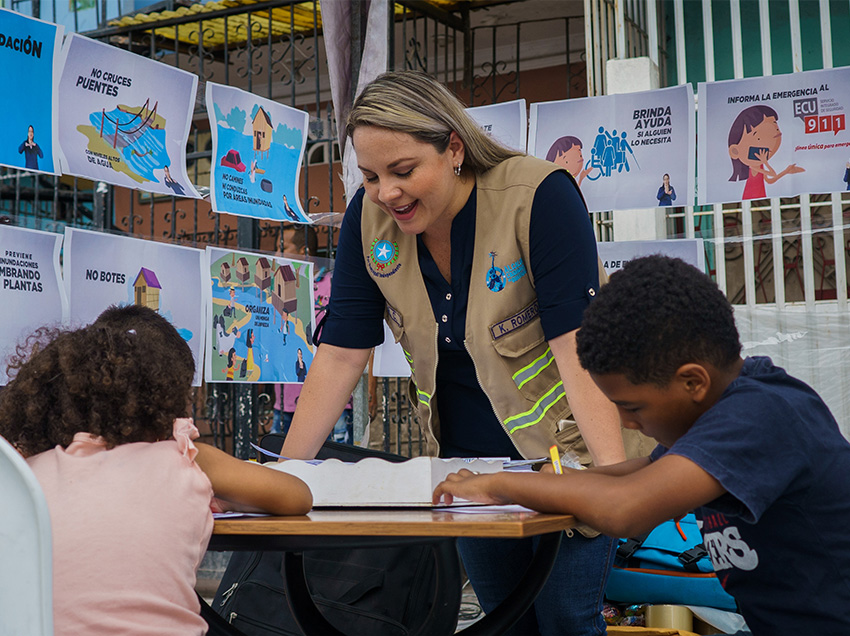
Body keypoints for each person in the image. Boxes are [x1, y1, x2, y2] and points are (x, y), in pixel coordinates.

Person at [281, 70, 629, 636]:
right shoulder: (367, 224)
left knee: (566, 621)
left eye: (403, 171)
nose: (385, 193)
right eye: (369, 177)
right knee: (504, 622)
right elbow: (342, 353)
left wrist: (616, 483)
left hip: (570, 461)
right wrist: (287, 478)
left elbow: (578, 347)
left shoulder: (538, 196)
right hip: (470, 473)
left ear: (454, 149)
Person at [433, 255, 850, 636]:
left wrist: (501, 485)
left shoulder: (760, 416)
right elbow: (638, 473)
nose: (626, 422)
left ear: (692, 382)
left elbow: (625, 509)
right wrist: (549, 476)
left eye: (632, 407)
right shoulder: (720, 411)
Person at [0, 304, 312, 636]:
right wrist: (222, 493)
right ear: (163, 401)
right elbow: (297, 496)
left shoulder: (21, 476)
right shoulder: (186, 458)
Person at [727, 105, 804, 200]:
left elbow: (770, 180)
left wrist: (786, 171)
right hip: (751, 196)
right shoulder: (753, 166)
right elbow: (772, 173)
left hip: (760, 195)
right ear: (735, 151)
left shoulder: (759, 165)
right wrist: (765, 161)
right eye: (758, 138)